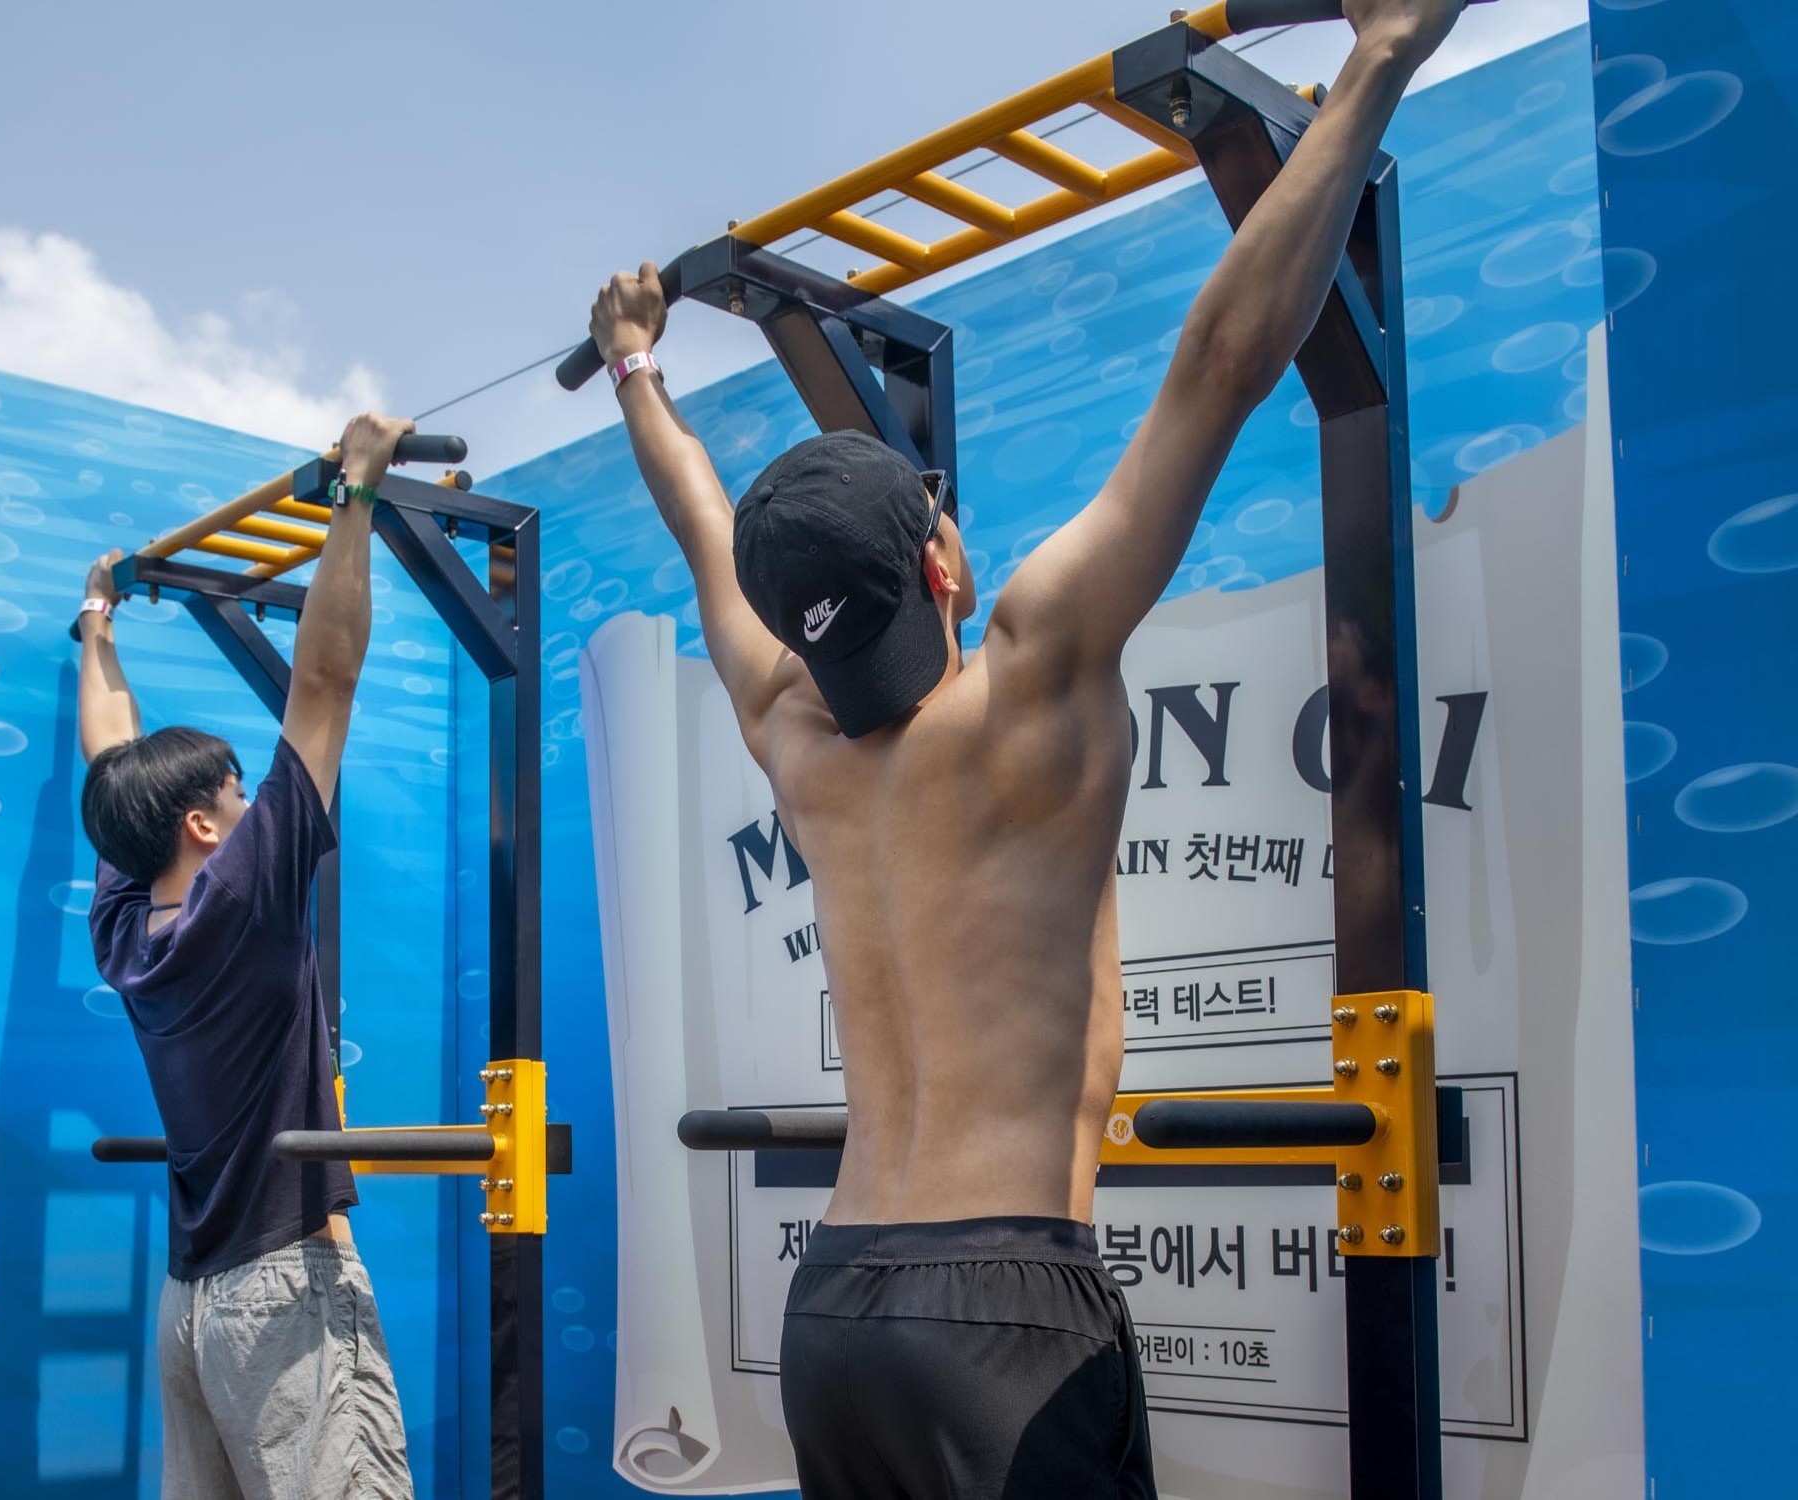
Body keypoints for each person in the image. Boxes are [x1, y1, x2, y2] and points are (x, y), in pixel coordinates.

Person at [585, 1, 1467, 1494]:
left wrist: (634, 369)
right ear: (939, 566)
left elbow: (698, 525)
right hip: (1008, 1309)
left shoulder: (786, 726)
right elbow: (1224, 361)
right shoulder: (1034, 665)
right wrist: (1381, 58)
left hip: (838, 1308)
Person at [76, 412, 419, 1500]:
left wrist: (98, 626)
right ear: (205, 829)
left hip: (193, 1307)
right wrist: (355, 492)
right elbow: (324, 688)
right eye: (233, 790)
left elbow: (111, 758)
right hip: (283, 1295)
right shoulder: (245, 897)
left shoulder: (129, 928)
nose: (248, 794)